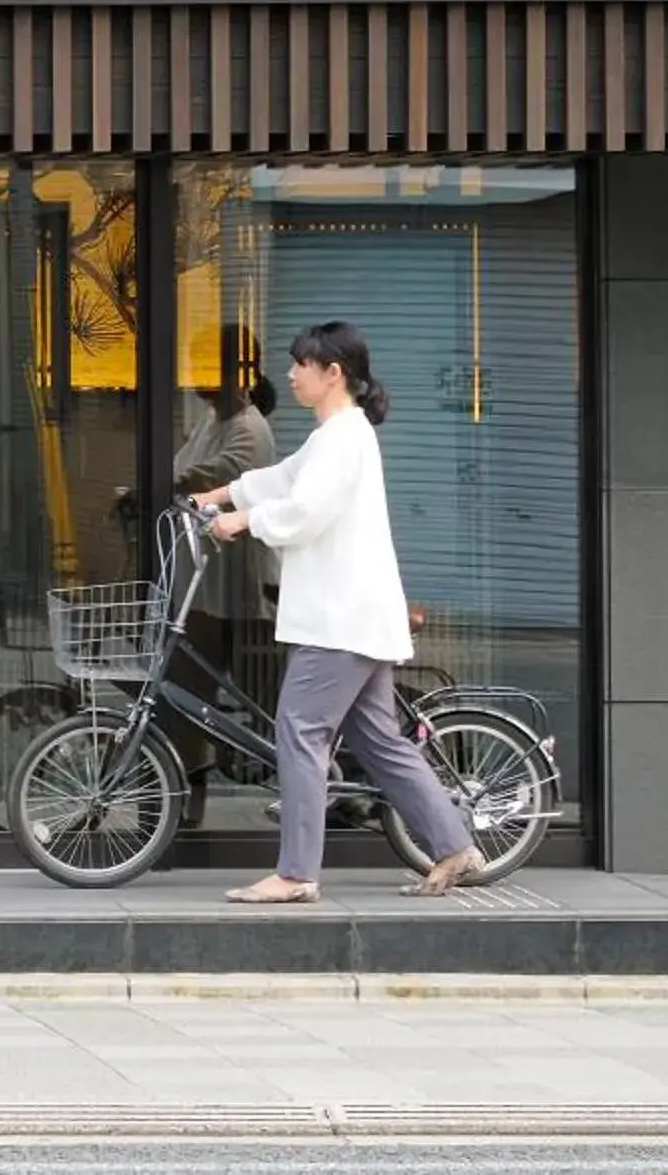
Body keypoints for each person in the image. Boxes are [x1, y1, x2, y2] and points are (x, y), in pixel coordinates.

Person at [193, 322, 485, 903]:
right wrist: (221, 495)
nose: (290, 374)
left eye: (301, 364)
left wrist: (241, 520)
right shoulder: (336, 435)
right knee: (379, 742)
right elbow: (285, 477)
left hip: (340, 621)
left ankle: (296, 873)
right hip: (357, 619)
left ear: (334, 374)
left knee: (300, 730)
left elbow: (306, 510)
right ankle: (454, 846)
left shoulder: (344, 438)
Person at [163, 371, 277, 829]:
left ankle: (191, 797)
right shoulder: (211, 421)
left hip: (238, 588)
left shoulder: (249, 429)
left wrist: (159, 484)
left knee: (261, 698)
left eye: (208, 368)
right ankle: (188, 797)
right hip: (207, 582)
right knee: (192, 690)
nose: (196, 380)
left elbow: (210, 475)